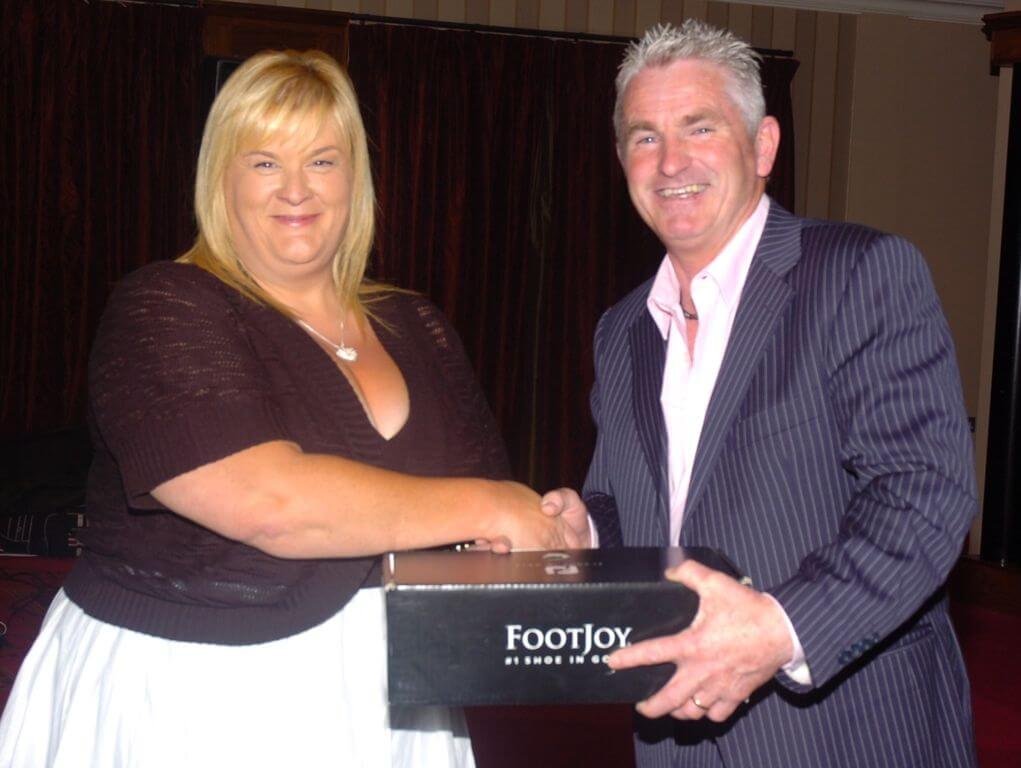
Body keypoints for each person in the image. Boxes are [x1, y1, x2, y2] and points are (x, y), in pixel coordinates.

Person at [0, 50, 583, 768]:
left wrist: (540, 528)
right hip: (190, 698)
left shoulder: (418, 325)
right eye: (265, 162)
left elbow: (466, 528)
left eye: (322, 161)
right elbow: (266, 503)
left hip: (395, 700)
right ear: (222, 178)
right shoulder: (165, 305)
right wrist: (495, 505)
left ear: (354, 179)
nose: (297, 189)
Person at [549, 19, 978, 768]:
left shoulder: (859, 274)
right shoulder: (620, 330)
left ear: (764, 145)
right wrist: (581, 532)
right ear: (622, 160)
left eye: (699, 127)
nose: (670, 161)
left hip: (843, 734)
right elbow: (631, 510)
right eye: (645, 137)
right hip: (675, 732)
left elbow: (923, 492)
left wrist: (780, 629)